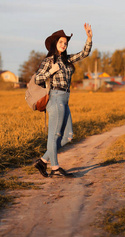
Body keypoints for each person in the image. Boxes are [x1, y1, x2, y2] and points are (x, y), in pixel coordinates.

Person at [33, 23, 93, 178]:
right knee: (54, 135)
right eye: (61, 42)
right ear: (55, 44)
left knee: (68, 136)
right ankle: (55, 168)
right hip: (55, 98)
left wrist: (89, 37)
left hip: (65, 99)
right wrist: (50, 72)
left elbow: (84, 54)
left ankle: (42, 160)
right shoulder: (49, 61)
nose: (64, 45)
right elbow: (37, 78)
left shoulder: (67, 60)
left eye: (65, 43)